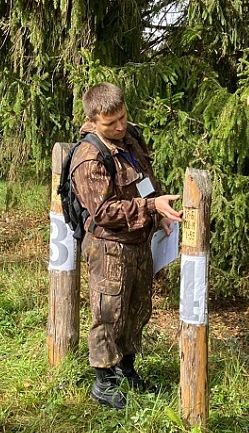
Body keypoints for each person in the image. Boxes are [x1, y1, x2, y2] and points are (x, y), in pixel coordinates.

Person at [70, 82, 183, 409]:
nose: (119, 126)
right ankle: (103, 380)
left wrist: (158, 210)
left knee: (136, 308)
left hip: (139, 241)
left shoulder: (131, 137)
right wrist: (151, 208)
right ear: (92, 121)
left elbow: (143, 179)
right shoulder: (89, 157)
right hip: (110, 247)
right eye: (111, 123)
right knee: (108, 312)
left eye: (122, 117)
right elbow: (103, 212)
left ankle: (126, 369)